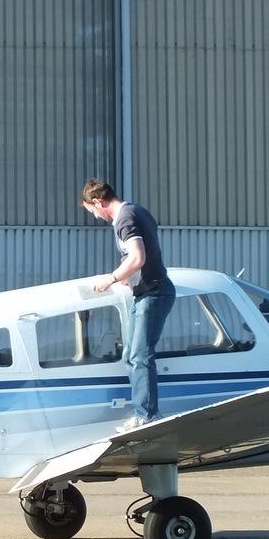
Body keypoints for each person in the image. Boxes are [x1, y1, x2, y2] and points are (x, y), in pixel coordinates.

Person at [81, 179, 176, 430]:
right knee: (130, 356)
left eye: (92, 211)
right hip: (145, 292)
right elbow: (145, 255)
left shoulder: (124, 218)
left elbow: (137, 257)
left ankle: (147, 416)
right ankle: (144, 412)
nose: (95, 216)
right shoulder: (137, 210)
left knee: (140, 355)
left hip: (154, 293)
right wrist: (129, 278)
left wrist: (112, 278)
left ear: (97, 201)